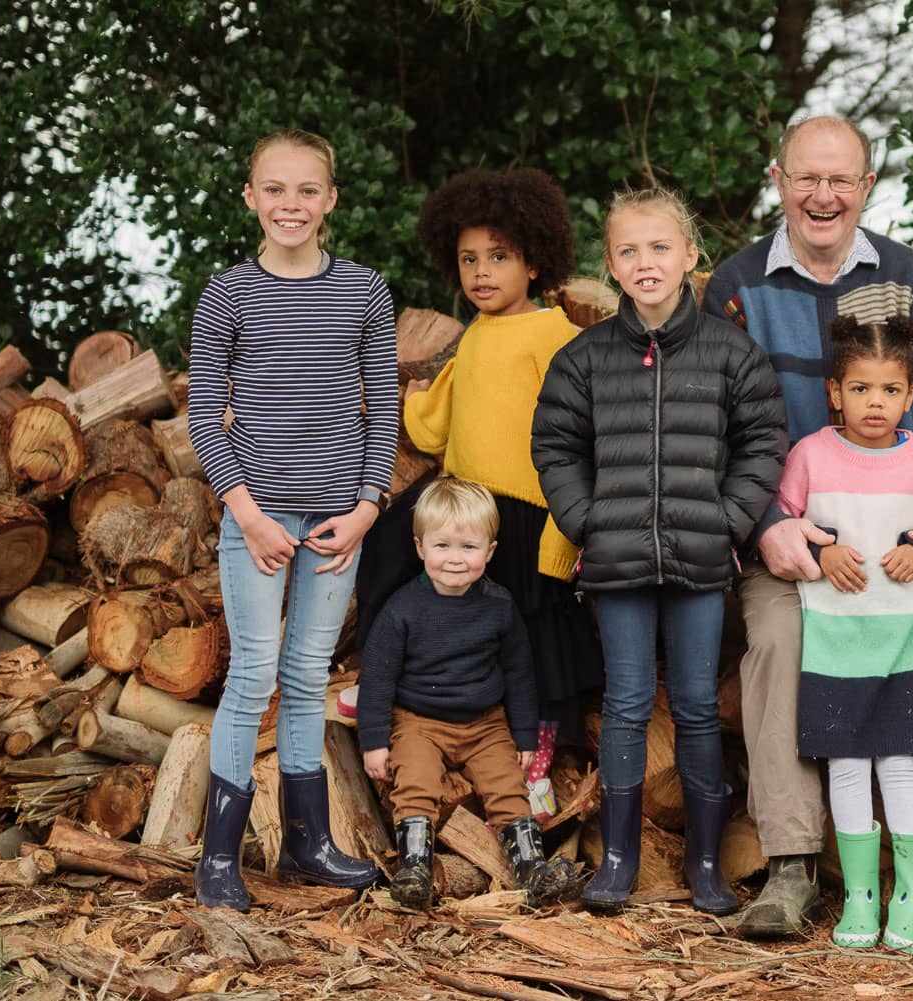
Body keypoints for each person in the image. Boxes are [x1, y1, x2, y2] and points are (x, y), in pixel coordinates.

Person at [701, 115, 913, 939]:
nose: (822, 196)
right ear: (777, 179)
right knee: (779, 642)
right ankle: (792, 867)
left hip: (906, 536)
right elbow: (708, 423)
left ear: (866, 186)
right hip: (794, 535)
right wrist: (762, 525)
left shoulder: (911, 281)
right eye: (805, 177)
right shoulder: (736, 286)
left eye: (841, 180)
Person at [531, 188, 787, 915]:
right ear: (610, 264)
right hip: (615, 563)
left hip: (702, 561)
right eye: (629, 250)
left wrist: (730, 519)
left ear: (690, 256)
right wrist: (586, 519)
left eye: (660, 247)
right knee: (627, 703)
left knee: (701, 706)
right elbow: (553, 443)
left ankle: (706, 867)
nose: (646, 262)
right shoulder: (584, 359)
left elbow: (764, 439)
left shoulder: (730, 353)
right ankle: (617, 860)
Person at [187, 128, 397, 911]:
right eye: (275, 189)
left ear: (331, 199)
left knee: (308, 674)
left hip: (337, 518)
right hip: (259, 516)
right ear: (250, 197)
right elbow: (205, 414)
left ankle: (308, 841)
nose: (291, 204)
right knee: (251, 674)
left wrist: (368, 508)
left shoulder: (365, 292)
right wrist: (245, 514)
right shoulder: (228, 295)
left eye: (307, 190)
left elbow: (385, 411)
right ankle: (218, 856)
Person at [355, 168, 602, 818]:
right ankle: (387, 682)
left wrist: (568, 523)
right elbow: (439, 425)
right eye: (468, 259)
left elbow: (585, 428)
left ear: (534, 260)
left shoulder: (555, 335)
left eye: (498, 256)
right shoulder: (476, 334)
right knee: (386, 542)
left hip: (526, 510)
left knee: (531, 638)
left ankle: (538, 762)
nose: (481, 272)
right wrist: (416, 402)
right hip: (461, 500)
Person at [778, 314, 913, 956]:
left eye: (888, 390)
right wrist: (821, 555)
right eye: (859, 389)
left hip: (904, 637)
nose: (873, 403)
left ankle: (911, 901)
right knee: (846, 764)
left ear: (909, 395)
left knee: (900, 763)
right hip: (834, 638)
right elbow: (791, 527)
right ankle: (860, 895)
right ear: (833, 392)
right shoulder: (810, 455)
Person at [357, 477, 578, 910]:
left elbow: (519, 672)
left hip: (485, 723)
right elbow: (378, 678)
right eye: (443, 547)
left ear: (490, 552)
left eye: (468, 548)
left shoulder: (499, 605)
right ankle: (415, 868)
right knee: (416, 782)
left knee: (508, 787)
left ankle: (531, 869)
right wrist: (375, 742)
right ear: (420, 548)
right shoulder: (401, 609)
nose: (455, 559)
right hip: (420, 721)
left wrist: (526, 736)